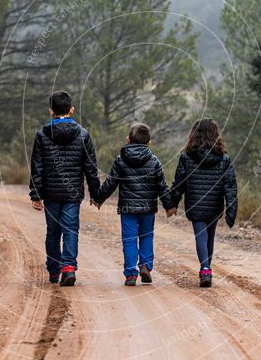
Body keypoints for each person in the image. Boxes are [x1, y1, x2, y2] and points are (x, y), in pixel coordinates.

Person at [29, 90, 100, 286]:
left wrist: (36, 194)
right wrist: (96, 194)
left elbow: (37, 166)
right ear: (72, 110)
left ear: (51, 111)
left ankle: (54, 269)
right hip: (72, 194)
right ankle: (68, 268)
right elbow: (90, 168)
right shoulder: (83, 135)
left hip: (51, 194)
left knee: (53, 231)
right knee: (70, 229)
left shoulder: (42, 135)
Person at [95, 122, 175, 286]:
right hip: (147, 208)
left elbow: (111, 183)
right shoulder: (154, 161)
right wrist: (169, 205)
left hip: (127, 208)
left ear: (128, 139)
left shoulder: (121, 160)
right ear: (148, 143)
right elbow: (162, 186)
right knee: (146, 236)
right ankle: (145, 265)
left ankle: (131, 274)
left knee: (129, 239)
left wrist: (99, 198)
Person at [170, 118, 237, 287]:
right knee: (210, 237)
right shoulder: (224, 158)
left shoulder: (186, 157)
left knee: (200, 236)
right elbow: (230, 186)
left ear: (194, 134)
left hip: (195, 203)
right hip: (215, 204)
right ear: (215, 135)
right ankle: (206, 270)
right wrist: (231, 209)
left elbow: (179, 183)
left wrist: (171, 203)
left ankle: (205, 269)